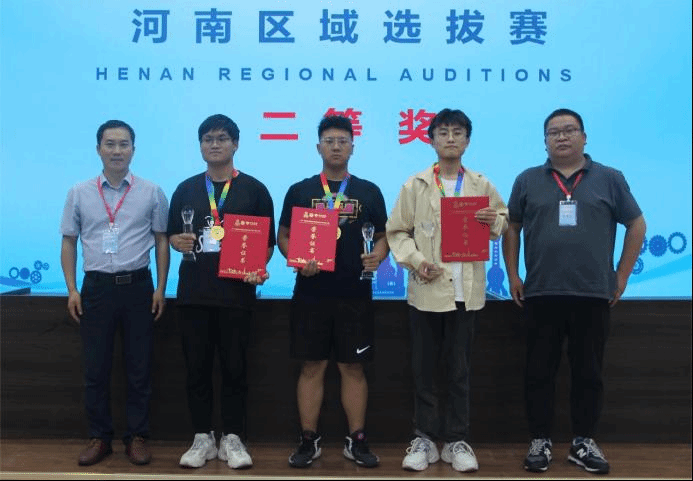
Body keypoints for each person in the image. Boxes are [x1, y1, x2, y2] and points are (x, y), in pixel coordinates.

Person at [502, 108, 646, 475]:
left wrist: (622, 275)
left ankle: (583, 441)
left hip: (592, 293)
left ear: (584, 137)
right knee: (539, 371)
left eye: (569, 130)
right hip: (541, 292)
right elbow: (512, 226)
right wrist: (513, 274)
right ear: (545, 141)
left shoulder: (610, 178)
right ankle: (540, 440)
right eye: (554, 132)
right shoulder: (527, 179)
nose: (562, 137)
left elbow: (636, 224)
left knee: (588, 373)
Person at [386, 108, 508, 473]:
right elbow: (397, 231)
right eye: (443, 132)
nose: (450, 138)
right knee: (423, 371)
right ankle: (424, 438)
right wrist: (415, 260)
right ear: (431, 140)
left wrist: (494, 220)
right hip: (426, 291)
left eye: (457, 132)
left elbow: (502, 221)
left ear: (467, 141)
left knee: (459, 372)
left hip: (465, 295)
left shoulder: (481, 184)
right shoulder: (415, 185)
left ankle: (456, 440)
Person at [277, 115, 389, 469]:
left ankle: (357, 439)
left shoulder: (369, 191)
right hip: (311, 292)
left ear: (353, 147)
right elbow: (283, 235)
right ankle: (308, 439)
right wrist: (296, 259)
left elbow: (383, 236)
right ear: (318, 147)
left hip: (355, 293)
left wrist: (378, 256)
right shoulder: (300, 190)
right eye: (329, 141)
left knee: (352, 367)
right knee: (312, 365)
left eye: (342, 141)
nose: (336, 147)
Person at [168, 114, 275, 470]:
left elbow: (267, 244)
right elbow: (172, 235)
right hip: (194, 294)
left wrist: (258, 267)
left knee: (235, 369)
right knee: (196, 369)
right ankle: (202, 437)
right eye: (208, 139)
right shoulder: (185, 189)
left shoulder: (255, 190)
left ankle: (233, 437)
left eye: (222, 138)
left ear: (235, 144)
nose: (214, 144)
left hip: (236, 296)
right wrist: (178, 241)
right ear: (200, 146)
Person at [60, 119, 170, 466]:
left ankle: (137, 437)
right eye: (110, 144)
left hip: (138, 287)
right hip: (96, 289)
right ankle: (100, 437)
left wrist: (161, 288)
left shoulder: (152, 192)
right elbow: (69, 241)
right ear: (98, 149)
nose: (117, 151)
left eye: (124, 144)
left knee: (139, 367)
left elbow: (161, 241)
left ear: (133, 150)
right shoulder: (79, 192)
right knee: (96, 369)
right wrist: (72, 289)